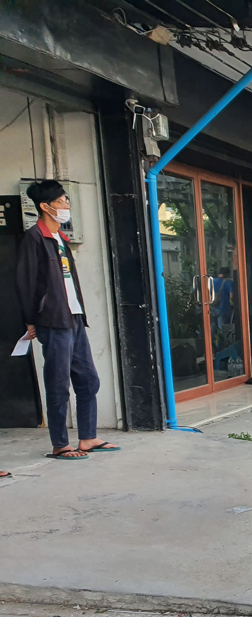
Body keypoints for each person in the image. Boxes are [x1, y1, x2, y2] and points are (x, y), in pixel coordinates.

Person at [15, 180, 119, 460]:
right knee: (58, 383)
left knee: (88, 380)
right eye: (62, 202)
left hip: (74, 318)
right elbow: (24, 282)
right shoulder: (33, 239)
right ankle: (61, 444)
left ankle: (88, 437)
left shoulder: (60, 238)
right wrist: (29, 320)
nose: (66, 206)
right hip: (52, 320)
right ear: (45, 206)